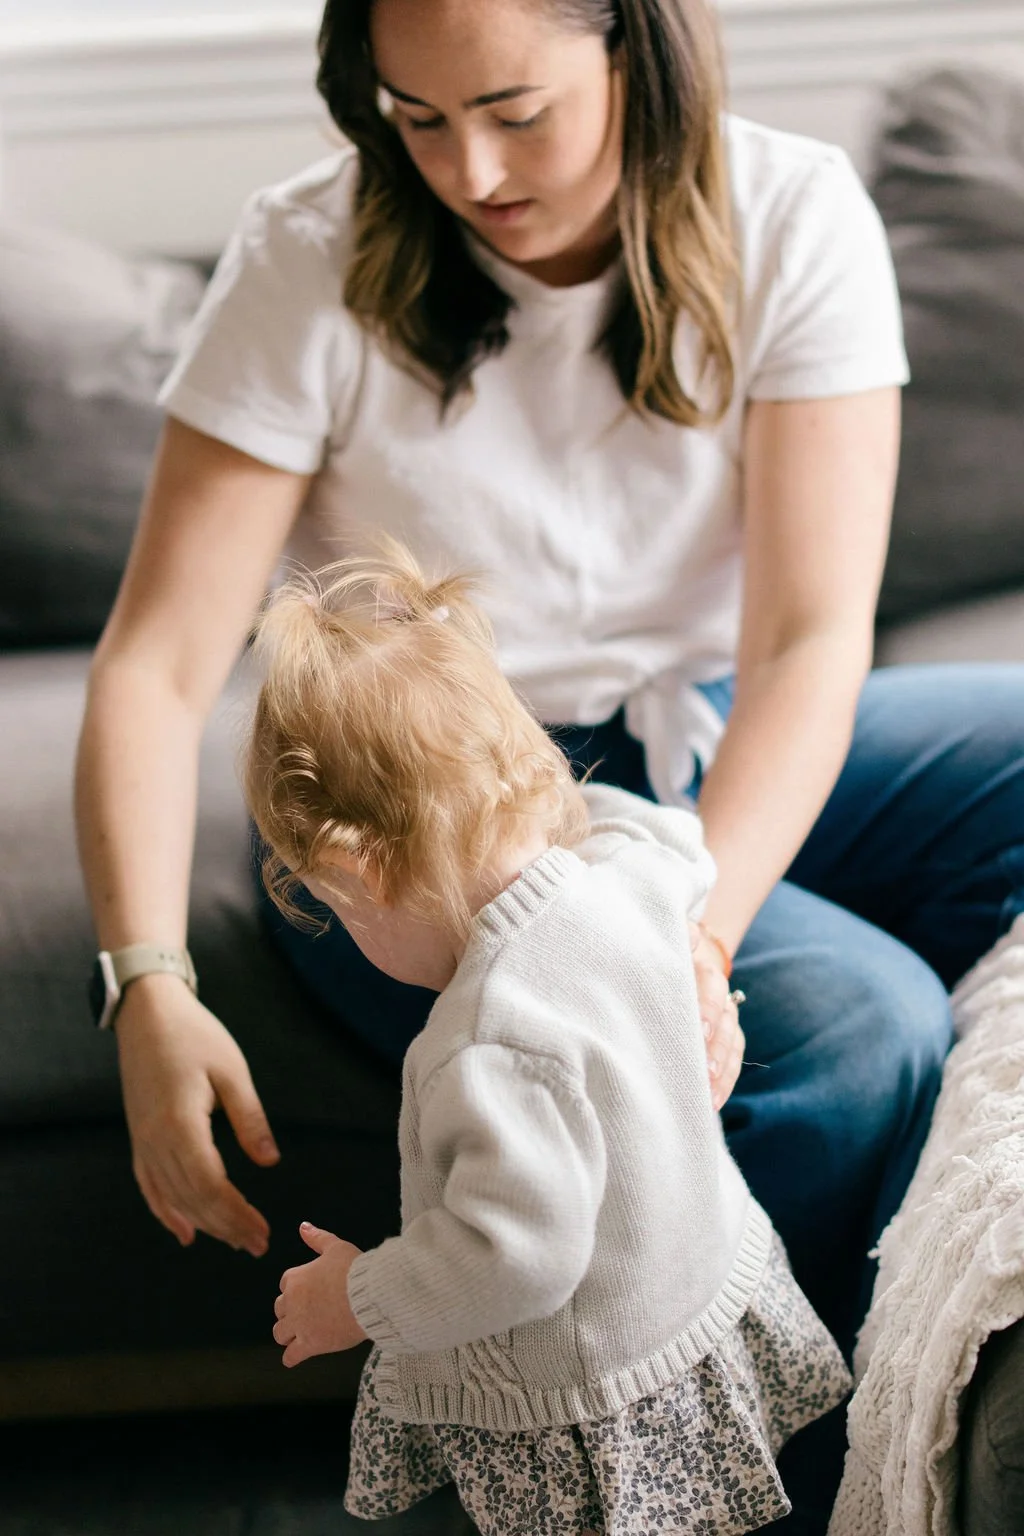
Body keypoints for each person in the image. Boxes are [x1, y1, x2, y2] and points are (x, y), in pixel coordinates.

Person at [72, 0, 1024, 1524]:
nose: (470, 168)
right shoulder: (306, 251)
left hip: (713, 725)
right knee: (858, 1030)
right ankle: (745, 1492)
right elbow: (156, 663)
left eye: (516, 109)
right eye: (419, 117)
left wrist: (690, 932)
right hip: (451, 798)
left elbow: (806, 645)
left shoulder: (788, 211)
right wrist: (145, 982)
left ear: (640, 51)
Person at [246, 545, 852, 1536]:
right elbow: (668, 837)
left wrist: (360, 1297)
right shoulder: (630, 877)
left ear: (361, 874)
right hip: (697, 1301)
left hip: (594, 1393)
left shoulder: (486, 1044)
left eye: (338, 910)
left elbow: (514, 1255)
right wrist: (532, 805)